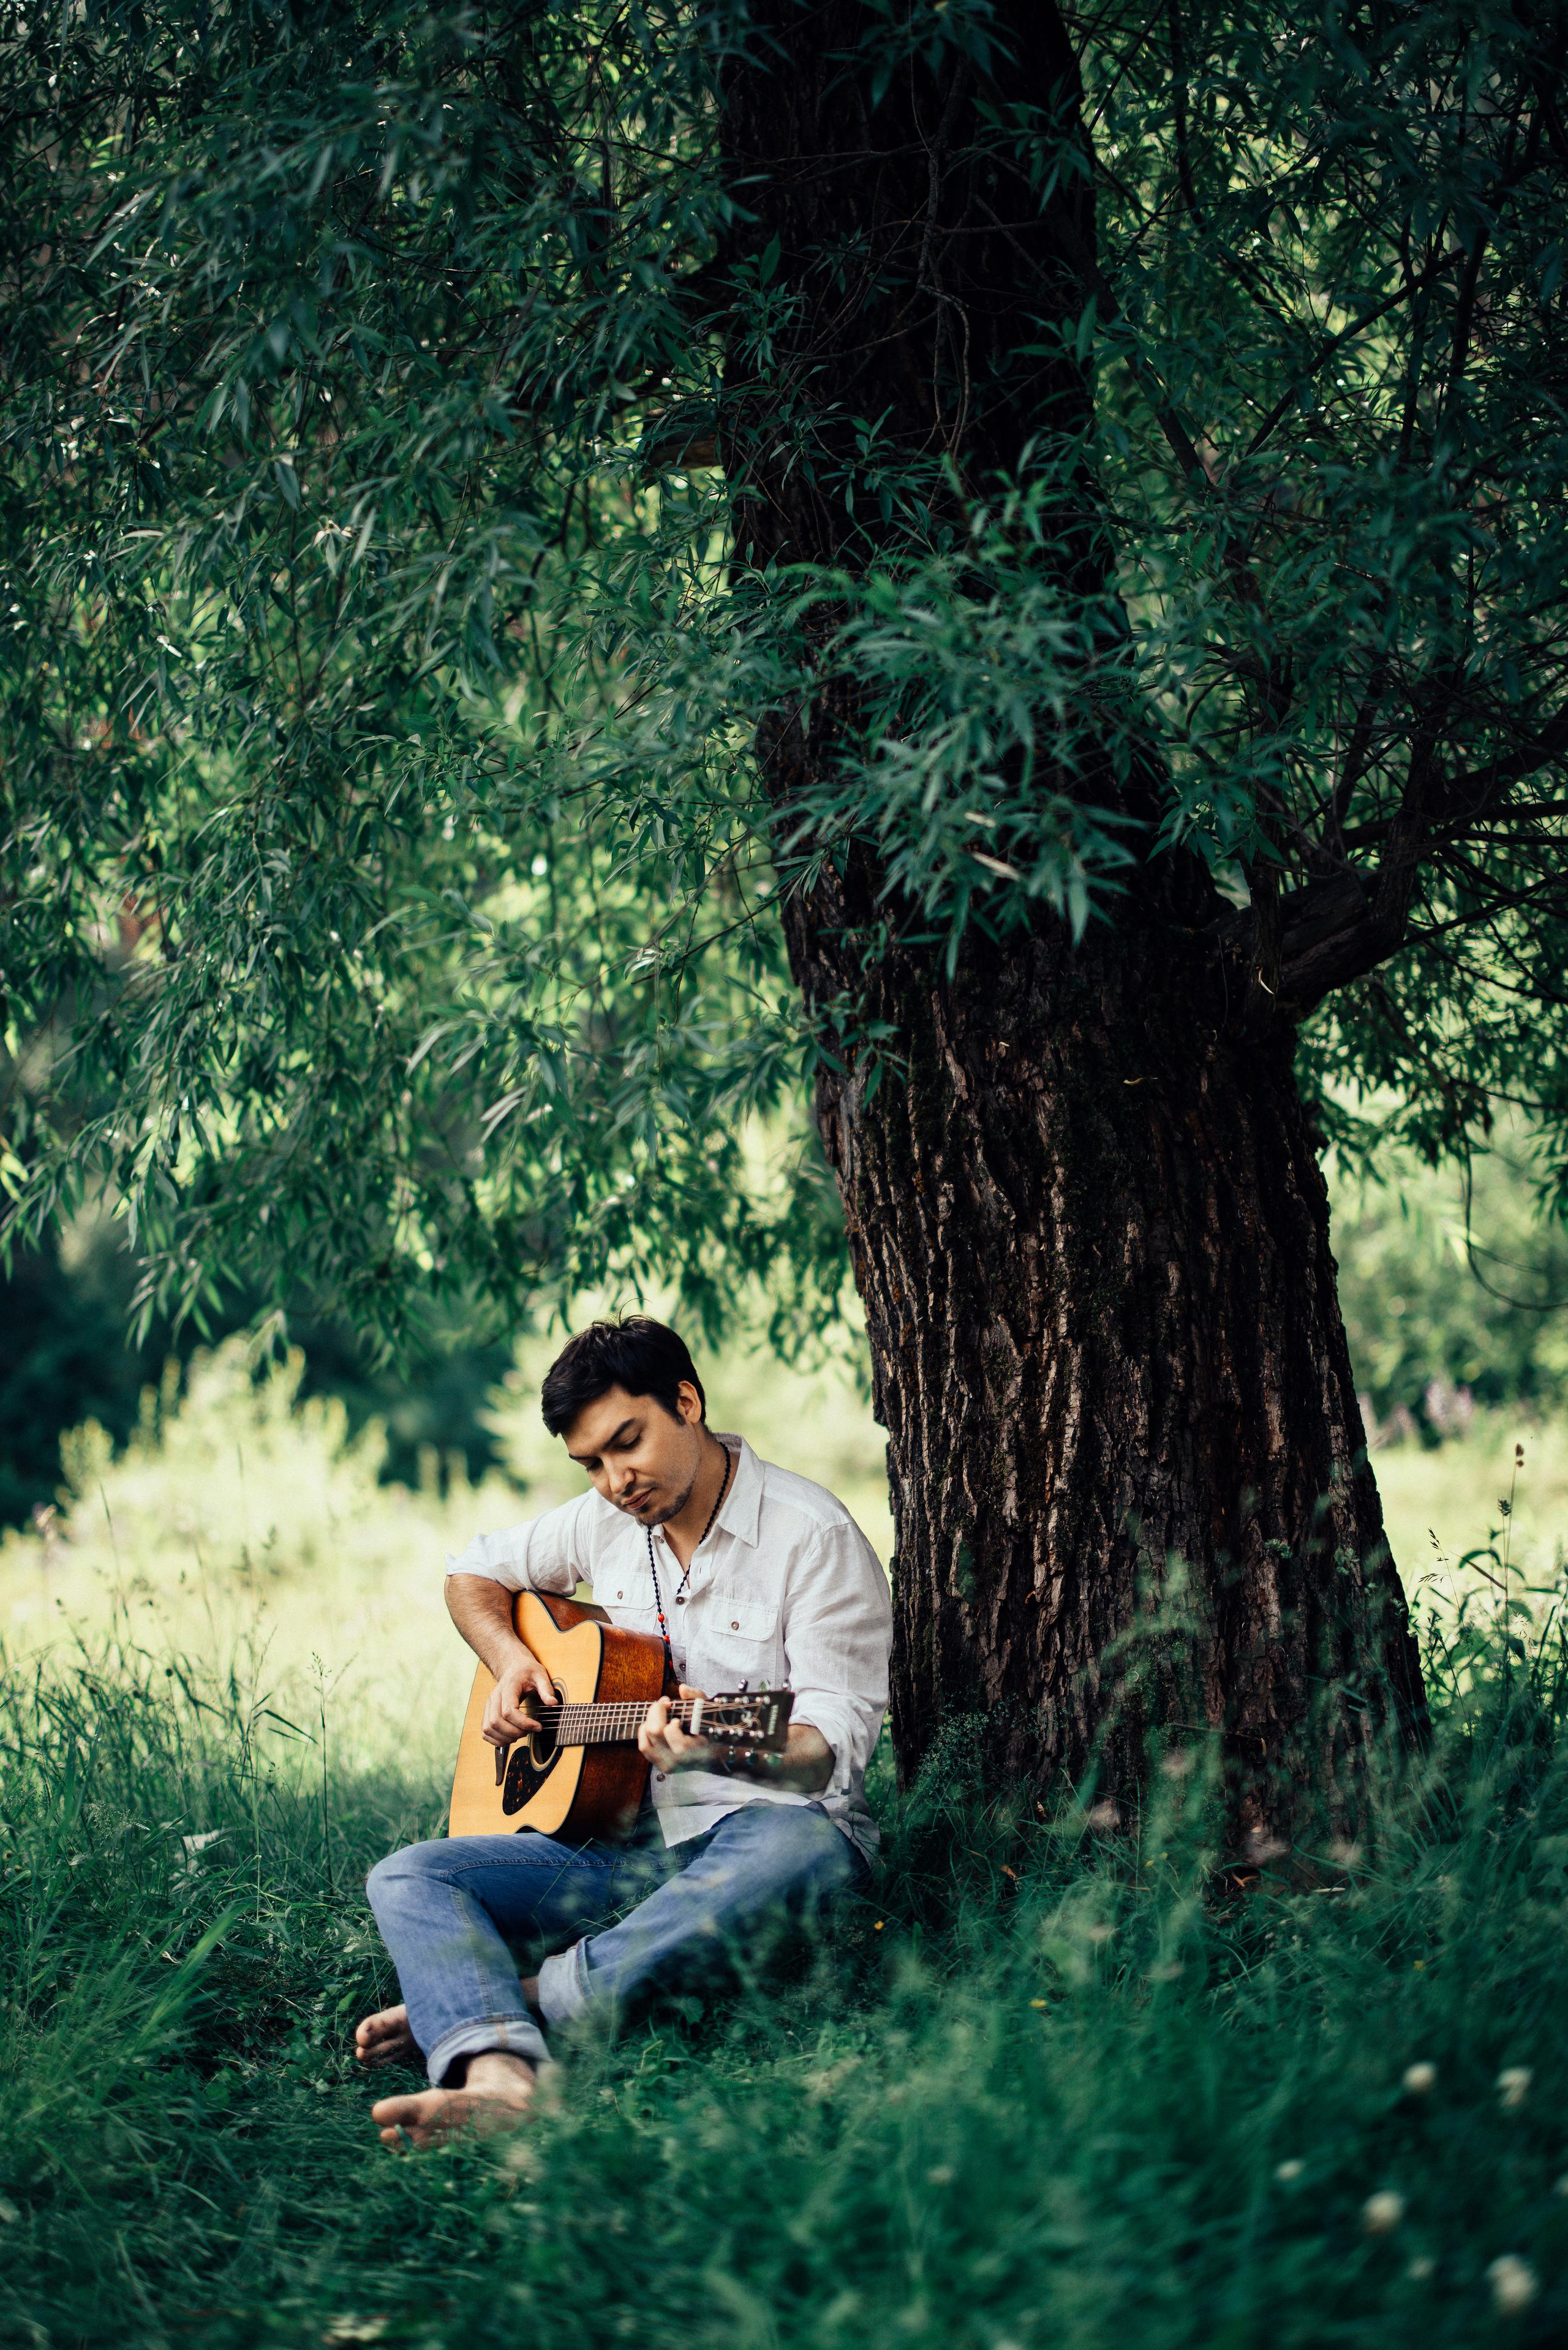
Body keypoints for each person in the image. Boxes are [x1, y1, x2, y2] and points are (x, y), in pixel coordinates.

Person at [356, 1316, 892, 2146]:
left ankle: (519, 1997)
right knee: (410, 1875)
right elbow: (472, 1570)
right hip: (627, 1848)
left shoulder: (812, 1537)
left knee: (805, 1846)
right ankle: (500, 2074)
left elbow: (831, 1749)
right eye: (591, 1464)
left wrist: (715, 1742)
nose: (614, 1480)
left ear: (686, 1401)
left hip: (764, 1847)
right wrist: (508, 1663)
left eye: (627, 1443)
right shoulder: (604, 1521)